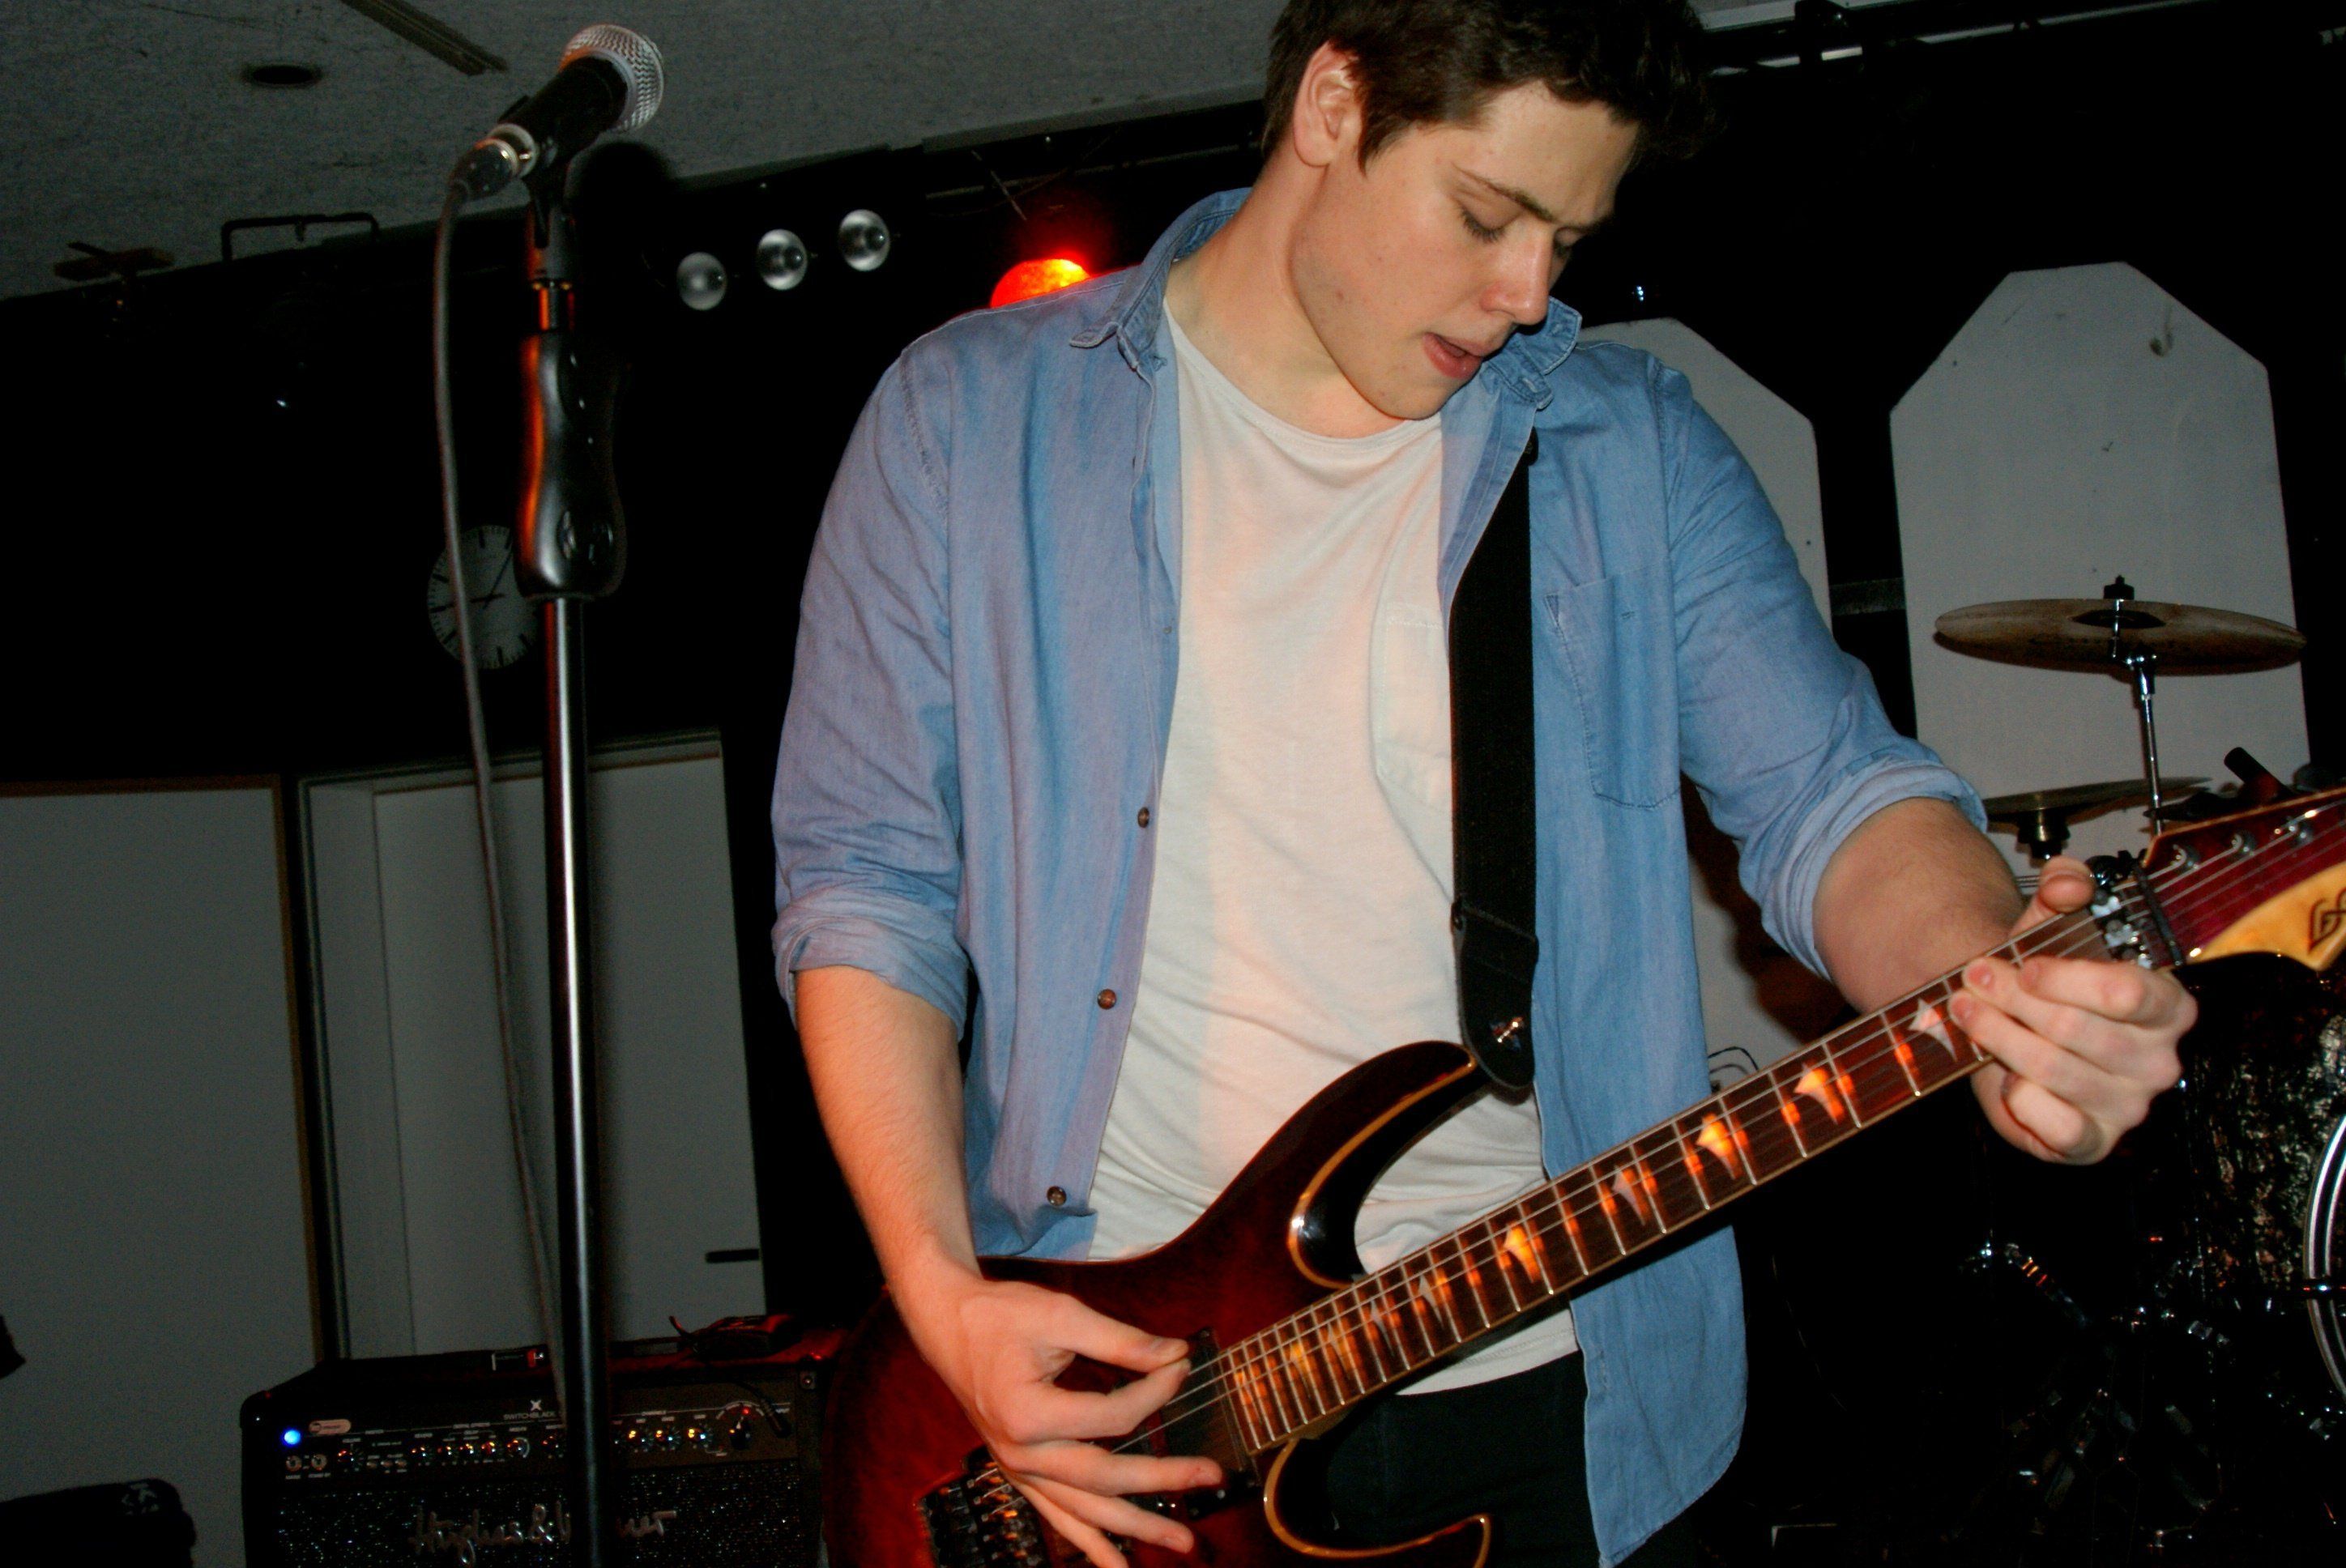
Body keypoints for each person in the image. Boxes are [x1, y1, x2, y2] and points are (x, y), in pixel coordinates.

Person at [770, 2, 2195, 1563]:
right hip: (1122, 1401)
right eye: (1485, 214)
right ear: (1334, 106)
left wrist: (1995, 985)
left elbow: (1835, 800)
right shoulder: (969, 425)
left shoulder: (1628, 454)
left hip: (1558, 1387)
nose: (1527, 296)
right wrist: (938, 1291)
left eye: (1565, 242)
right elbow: (865, 888)